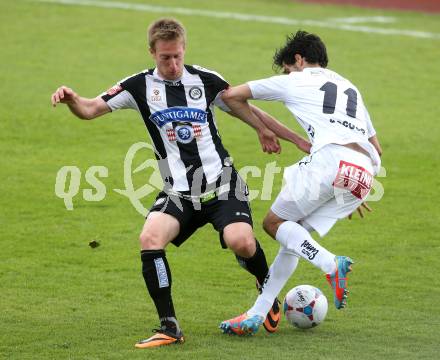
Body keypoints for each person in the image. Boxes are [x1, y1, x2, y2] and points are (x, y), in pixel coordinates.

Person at [50, 19, 311, 348]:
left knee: (241, 242)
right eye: (164, 58)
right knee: (150, 238)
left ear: (184, 49)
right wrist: (72, 98)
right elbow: (89, 110)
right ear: (152, 53)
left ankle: (266, 288)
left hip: (222, 183)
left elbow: (246, 107)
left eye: (176, 56)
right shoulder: (138, 86)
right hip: (178, 191)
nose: (172, 64)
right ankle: (169, 326)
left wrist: (285, 136)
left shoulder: (205, 80)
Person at [219, 30, 383, 335]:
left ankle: (330, 263)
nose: (286, 74)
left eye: (286, 67)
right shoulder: (351, 87)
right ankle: (257, 314)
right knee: (294, 239)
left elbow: (230, 96)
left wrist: (262, 130)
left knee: (274, 224)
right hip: (363, 173)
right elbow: (376, 146)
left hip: (330, 160)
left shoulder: (297, 78)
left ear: (297, 59)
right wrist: (351, 188)